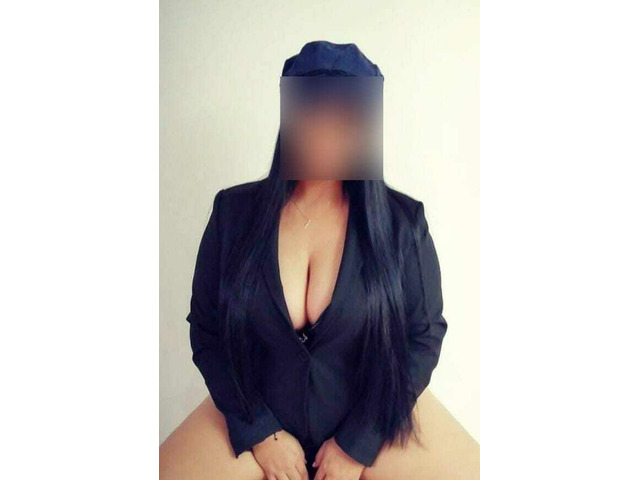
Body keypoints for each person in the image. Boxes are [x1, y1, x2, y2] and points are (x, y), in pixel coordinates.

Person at [160, 41, 479, 480]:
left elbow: (423, 337)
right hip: (258, 409)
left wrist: (359, 442)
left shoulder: (403, 223)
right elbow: (207, 329)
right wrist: (259, 431)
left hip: (370, 411)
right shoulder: (233, 213)